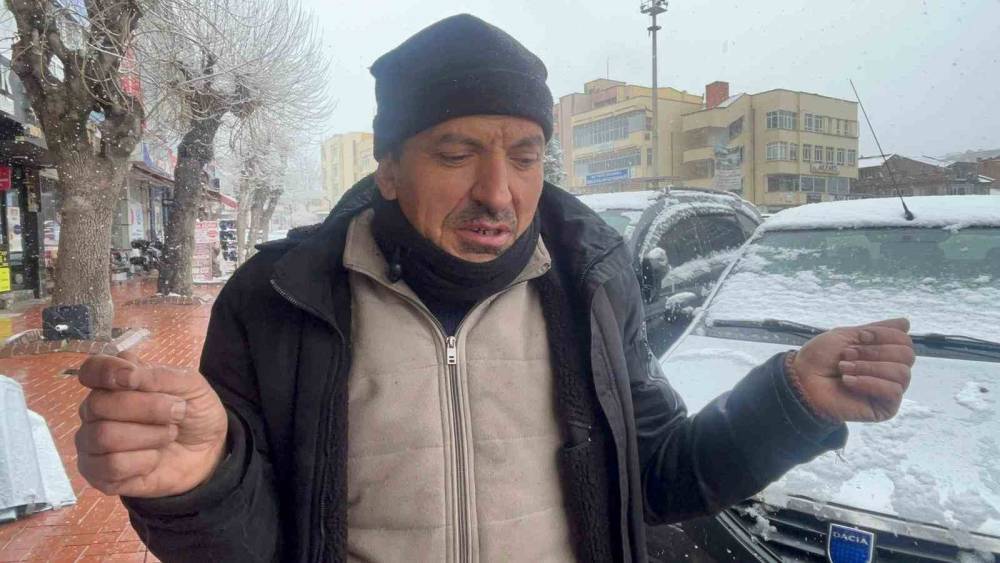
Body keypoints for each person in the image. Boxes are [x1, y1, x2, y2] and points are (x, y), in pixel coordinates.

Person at [74, 14, 915, 562]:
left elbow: (658, 476)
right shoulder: (279, 300)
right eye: (456, 153)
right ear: (390, 168)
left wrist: (788, 401)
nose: (498, 192)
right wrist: (202, 478)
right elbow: (255, 542)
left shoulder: (591, 285)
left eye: (525, 155)